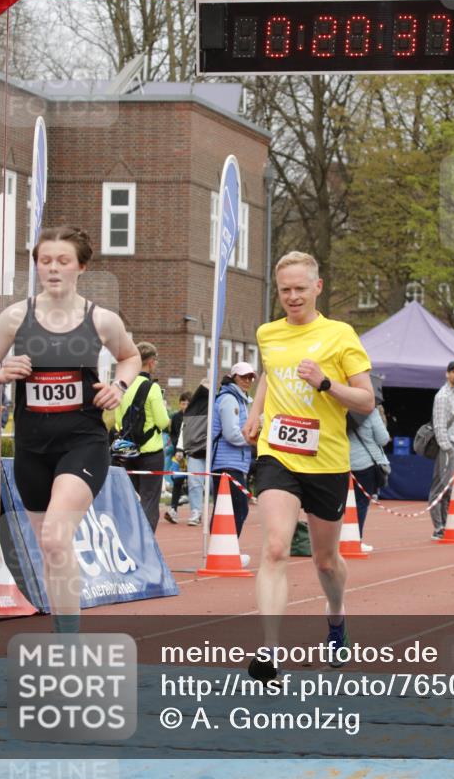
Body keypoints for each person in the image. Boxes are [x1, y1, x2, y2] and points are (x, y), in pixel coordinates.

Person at [0, 225, 140, 633]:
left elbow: (130, 356)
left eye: (63, 261)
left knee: (56, 537)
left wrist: (119, 386)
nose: (53, 268)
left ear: (81, 266)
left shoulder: (101, 319)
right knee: (51, 548)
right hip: (31, 446)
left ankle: (67, 648)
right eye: (45, 261)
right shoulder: (15, 317)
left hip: (82, 441)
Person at [242, 251, 374, 681]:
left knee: (324, 560)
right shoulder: (267, 333)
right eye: (285, 290)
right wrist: (255, 413)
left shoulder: (341, 334)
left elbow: (366, 400)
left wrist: (324, 382)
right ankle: (270, 651)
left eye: (301, 288)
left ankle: (336, 616)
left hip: (327, 460)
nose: (293, 297)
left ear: (317, 287)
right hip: (277, 452)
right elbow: (270, 373)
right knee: (276, 547)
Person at [112, 341, 170, 533]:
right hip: (150, 452)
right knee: (150, 500)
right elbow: (162, 422)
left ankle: (130, 536)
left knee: (133, 497)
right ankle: (146, 543)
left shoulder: (123, 386)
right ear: (151, 362)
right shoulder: (152, 388)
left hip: (128, 450)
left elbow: (118, 420)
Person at [210, 362, 257, 560]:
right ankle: (226, 551)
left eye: (250, 377)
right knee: (238, 508)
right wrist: (253, 440)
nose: (247, 381)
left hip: (232, 462)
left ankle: (221, 550)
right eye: (243, 377)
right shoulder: (230, 400)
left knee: (227, 508)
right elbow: (231, 434)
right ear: (234, 377)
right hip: (226, 462)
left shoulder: (239, 400)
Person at [429, 361, 454, 540]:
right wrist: (448, 449)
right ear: (447, 374)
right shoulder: (442, 396)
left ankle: (445, 523)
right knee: (441, 487)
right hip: (449, 445)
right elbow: (439, 425)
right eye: (453, 371)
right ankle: (438, 527)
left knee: (449, 488)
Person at [347, 400, 390, 549]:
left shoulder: (340, 409)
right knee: (361, 503)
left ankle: (337, 538)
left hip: (341, 461)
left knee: (340, 503)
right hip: (365, 463)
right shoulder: (370, 411)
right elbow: (383, 439)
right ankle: (355, 539)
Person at [180, 378, 210, 525]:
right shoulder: (191, 411)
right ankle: (196, 511)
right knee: (195, 483)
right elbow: (184, 431)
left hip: (210, 453)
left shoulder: (216, 405)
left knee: (209, 484)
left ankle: (211, 511)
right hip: (196, 453)